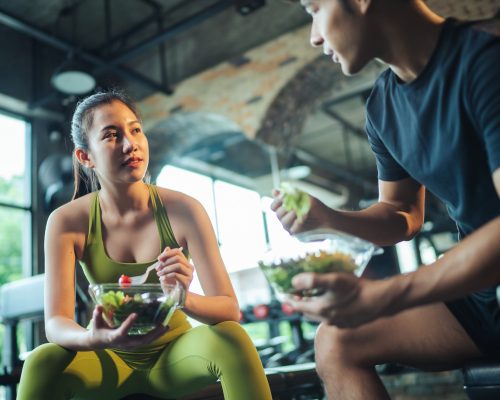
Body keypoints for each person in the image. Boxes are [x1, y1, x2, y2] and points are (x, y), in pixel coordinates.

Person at [271, 0, 500, 399]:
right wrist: (328, 217)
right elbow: (402, 214)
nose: (315, 36)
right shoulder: (381, 108)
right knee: (337, 341)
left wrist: (385, 294)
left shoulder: (486, 60)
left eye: (314, 9)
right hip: (484, 297)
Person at [17, 90, 272, 400]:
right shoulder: (66, 220)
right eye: (112, 135)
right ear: (86, 157)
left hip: (174, 356)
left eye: (135, 130)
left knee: (233, 337)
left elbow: (228, 307)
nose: (130, 144)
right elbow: (56, 323)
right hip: (108, 356)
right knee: (43, 359)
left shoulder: (184, 209)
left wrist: (182, 297)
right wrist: (92, 338)